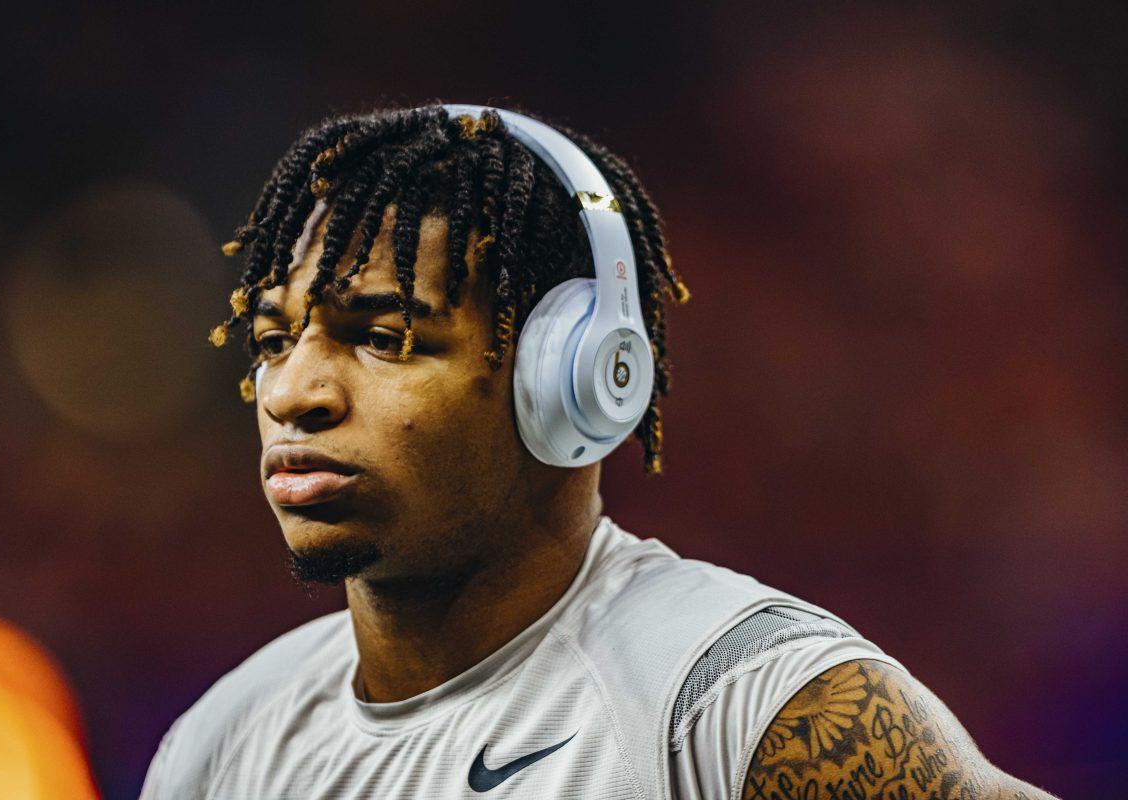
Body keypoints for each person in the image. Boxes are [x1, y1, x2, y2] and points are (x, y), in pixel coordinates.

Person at [141, 103, 1057, 799]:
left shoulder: (750, 710)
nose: (296, 393)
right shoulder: (221, 745)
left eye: (384, 337)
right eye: (272, 342)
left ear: (577, 375)